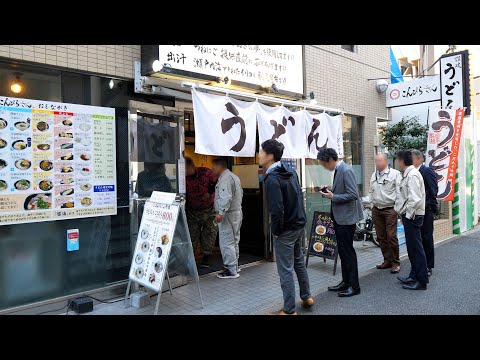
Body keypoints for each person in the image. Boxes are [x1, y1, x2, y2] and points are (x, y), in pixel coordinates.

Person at [259, 139, 313, 315]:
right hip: (298, 225)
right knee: (298, 262)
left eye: (261, 152)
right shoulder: (291, 171)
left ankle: (289, 310)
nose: (258, 155)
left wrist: (276, 230)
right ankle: (307, 297)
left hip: (286, 230)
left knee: (286, 270)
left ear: (270, 156)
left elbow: (276, 209)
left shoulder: (272, 179)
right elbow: (298, 196)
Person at [318, 148, 363, 297]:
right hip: (340, 217)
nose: (324, 167)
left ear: (330, 160)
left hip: (346, 219)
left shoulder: (345, 170)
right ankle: (346, 282)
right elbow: (342, 190)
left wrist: (333, 196)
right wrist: (329, 191)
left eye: (324, 164)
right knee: (343, 252)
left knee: (348, 253)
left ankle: (354, 286)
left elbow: (353, 194)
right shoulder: (339, 170)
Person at [394, 149, 429, 290]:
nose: (397, 162)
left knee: (416, 249)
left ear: (402, 161)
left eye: (397, 159)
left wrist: (407, 216)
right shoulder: (408, 174)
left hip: (413, 216)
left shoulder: (412, 175)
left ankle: (421, 281)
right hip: (411, 215)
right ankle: (414, 276)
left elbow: (415, 199)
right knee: (412, 248)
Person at [369, 153, 402, 274]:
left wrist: (396, 209)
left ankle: (395, 262)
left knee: (391, 236)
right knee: (380, 236)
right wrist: (372, 205)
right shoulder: (374, 174)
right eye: (375, 161)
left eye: (379, 161)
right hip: (377, 209)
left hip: (390, 209)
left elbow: (399, 192)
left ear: (385, 161)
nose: (377, 163)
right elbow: (371, 190)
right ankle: (387, 260)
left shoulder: (395, 174)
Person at [211, 158, 243, 279]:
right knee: (234, 239)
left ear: (220, 166)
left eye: (214, 167)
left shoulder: (225, 179)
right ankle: (235, 265)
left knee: (226, 241)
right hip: (236, 211)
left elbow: (225, 197)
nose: (212, 169)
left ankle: (231, 270)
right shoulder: (234, 177)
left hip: (228, 213)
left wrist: (221, 212)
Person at [185, 157, 217, 268]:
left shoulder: (205, 172)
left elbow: (216, 182)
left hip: (209, 209)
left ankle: (206, 257)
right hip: (192, 210)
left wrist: (209, 192)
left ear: (190, 166)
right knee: (191, 235)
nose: (184, 171)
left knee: (209, 234)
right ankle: (191, 259)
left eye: (185, 168)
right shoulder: (183, 178)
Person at [412, 149, 438, 277]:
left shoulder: (426, 171)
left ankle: (428, 265)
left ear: (419, 159)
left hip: (426, 211)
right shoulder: (412, 172)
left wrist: (429, 207)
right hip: (416, 211)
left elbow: (433, 190)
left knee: (426, 238)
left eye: (411, 158)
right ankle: (420, 265)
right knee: (419, 239)